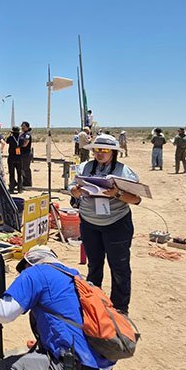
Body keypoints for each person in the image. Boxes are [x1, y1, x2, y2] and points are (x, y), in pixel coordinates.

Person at [69, 134, 141, 314]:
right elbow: (72, 187)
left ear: (113, 152)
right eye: (96, 150)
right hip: (89, 223)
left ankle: (120, 308)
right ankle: (95, 303)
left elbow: (137, 199)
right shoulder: (84, 167)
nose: (100, 153)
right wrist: (75, 192)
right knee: (94, 265)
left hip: (116, 224)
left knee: (119, 267)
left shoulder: (124, 171)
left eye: (105, 150)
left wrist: (116, 194)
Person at [6, 126, 24, 193]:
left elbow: (7, 141)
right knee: (19, 173)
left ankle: (12, 188)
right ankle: (20, 189)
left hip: (11, 157)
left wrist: (10, 135)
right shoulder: (21, 138)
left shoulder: (10, 138)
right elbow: (22, 145)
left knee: (11, 173)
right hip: (19, 157)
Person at [19, 121, 33, 188]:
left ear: (27, 127)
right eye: (22, 126)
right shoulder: (22, 134)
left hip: (26, 154)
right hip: (21, 154)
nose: (22, 127)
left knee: (26, 168)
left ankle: (28, 183)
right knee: (22, 168)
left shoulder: (27, 134)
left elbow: (25, 143)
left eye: (24, 126)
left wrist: (20, 145)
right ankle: (24, 182)